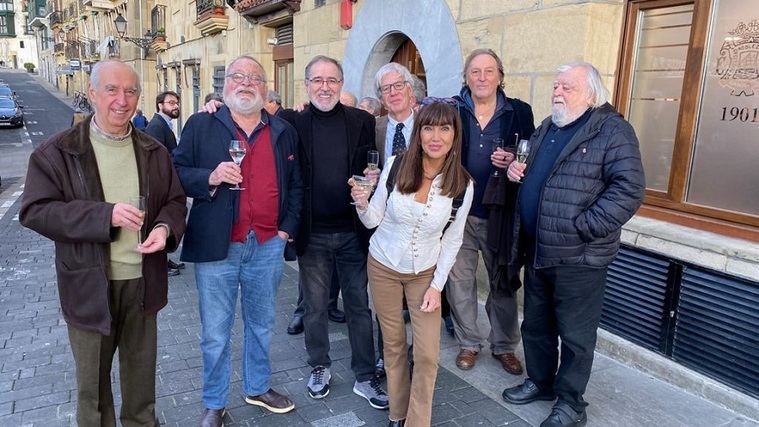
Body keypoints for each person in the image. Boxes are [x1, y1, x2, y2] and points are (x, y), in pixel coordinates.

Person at [20, 60, 187, 427]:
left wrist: (163, 228)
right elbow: (35, 211)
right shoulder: (57, 152)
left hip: (143, 282)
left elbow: (175, 202)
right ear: (92, 93)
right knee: (93, 391)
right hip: (87, 285)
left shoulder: (153, 151)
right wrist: (103, 216)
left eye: (130, 91)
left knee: (141, 383)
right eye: (111, 89)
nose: (121, 100)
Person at [502, 62, 645, 427]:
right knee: (536, 325)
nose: (557, 92)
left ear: (591, 93)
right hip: (538, 249)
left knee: (576, 336)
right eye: (555, 85)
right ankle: (540, 381)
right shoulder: (549, 126)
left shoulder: (612, 130)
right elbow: (532, 170)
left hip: (579, 256)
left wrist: (585, 227)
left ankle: (571, 404)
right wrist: (517, 171)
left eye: (567, 87)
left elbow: (628, 190)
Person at [173, 55, 303, 426]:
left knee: (261, 323)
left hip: (267, 243)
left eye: (255, 78)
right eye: (238, 77)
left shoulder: (282, 130)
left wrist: (285, 230)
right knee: (215, 331)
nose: (246, 83)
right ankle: (215, 402)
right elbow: (176, 171)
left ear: (264, 89)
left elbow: (295, 184)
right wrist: (210, 178)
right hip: (218, 246)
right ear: (225, 85)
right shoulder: (201, 124)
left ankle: (257, 387)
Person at [351, 100, 474, 427]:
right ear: (418, 132)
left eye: (444, 128)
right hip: (382, 266)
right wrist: (362, 203)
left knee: (427, 355)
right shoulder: (395, 165)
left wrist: (437, 286)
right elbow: (373, 219)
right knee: (392, 346)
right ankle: (397, 413)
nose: (436, 136)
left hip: (425, 275)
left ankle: (417, 422)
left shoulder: (463, 185)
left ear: (454, 135)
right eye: (428, 127)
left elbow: (453, 240)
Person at [279, 55, 388, 410]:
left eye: (332, 80)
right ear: (307, 85)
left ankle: (365, 375)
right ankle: (319, 367)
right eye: (317, 80)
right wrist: (216, 105)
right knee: (314, 307)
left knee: (358, 305)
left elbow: (372, 164)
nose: (324, 86)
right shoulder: (292, 121)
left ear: (341, 84)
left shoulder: (361, 120)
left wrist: (371, 179)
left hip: (352, 232)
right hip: (313, 234)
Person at [447, 48, 534, 375]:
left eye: (488, 71)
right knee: (460, 282)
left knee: (503, 281)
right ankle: (469, 343)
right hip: (458, 211)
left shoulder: (519, 112)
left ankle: (504, 346)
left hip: (501, 213)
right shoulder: (452, 110)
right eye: (474, 72)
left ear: (500, 76)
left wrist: (514, 160)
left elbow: (531, 157)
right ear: (466, 77)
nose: (481, 77)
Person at [145, 90, 185, 275]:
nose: (175, 106)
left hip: (168, 181)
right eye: (170, 103)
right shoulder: (156, 126)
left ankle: (166, 261)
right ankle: (162, 264)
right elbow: (156, 160)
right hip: (160, 184)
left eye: (176, 102)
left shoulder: (165, 124)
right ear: (160, 105)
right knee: (158, 222)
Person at [374, 63, 415, 164]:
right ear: (381, 99)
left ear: (409, 90)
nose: (393, 93)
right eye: (386, 88)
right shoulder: (372, 128)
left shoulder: (426, 124)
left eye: (398, 85)